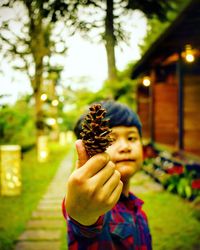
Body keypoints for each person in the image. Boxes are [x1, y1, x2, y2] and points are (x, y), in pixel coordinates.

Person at [62, 100, 152, 250]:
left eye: (131, 138)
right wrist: (82, 214)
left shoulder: (139, 211)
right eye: (112, 139)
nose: (125, 147)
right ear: (88, 148)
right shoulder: (99, 209)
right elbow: (84, 222)